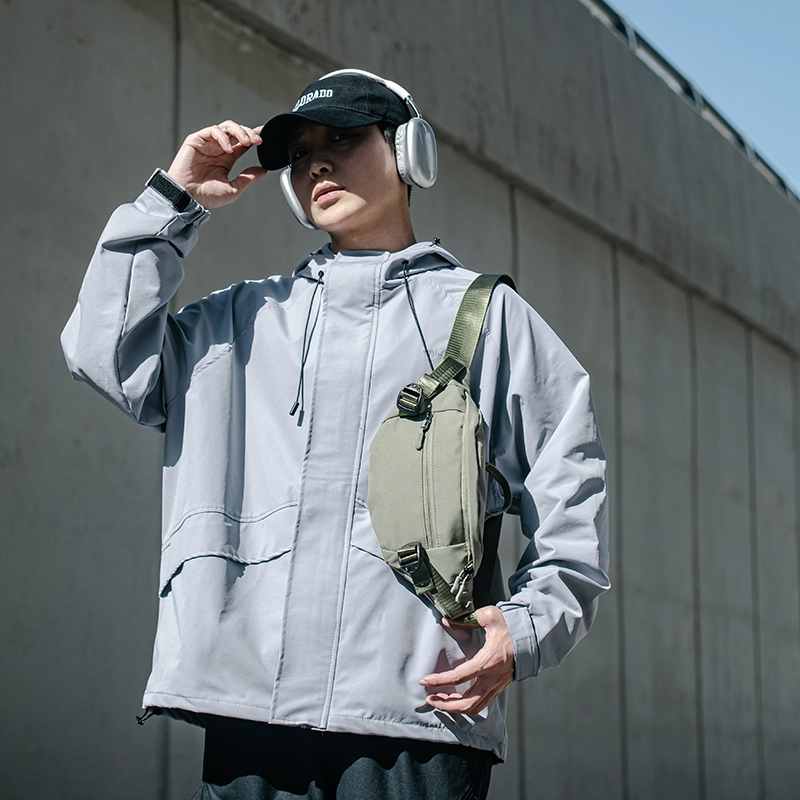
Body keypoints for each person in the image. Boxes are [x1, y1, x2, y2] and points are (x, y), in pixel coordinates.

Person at [61, 70, 609, 799]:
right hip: (248, 715)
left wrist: (528, 628)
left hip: (418, 717)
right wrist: (174, 200)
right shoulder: (240, 321)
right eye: (301, 153)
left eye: (344, 139)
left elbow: (570, 492)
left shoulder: (488, 319)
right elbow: (103, 353)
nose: (317, 162)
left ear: (408, 151)